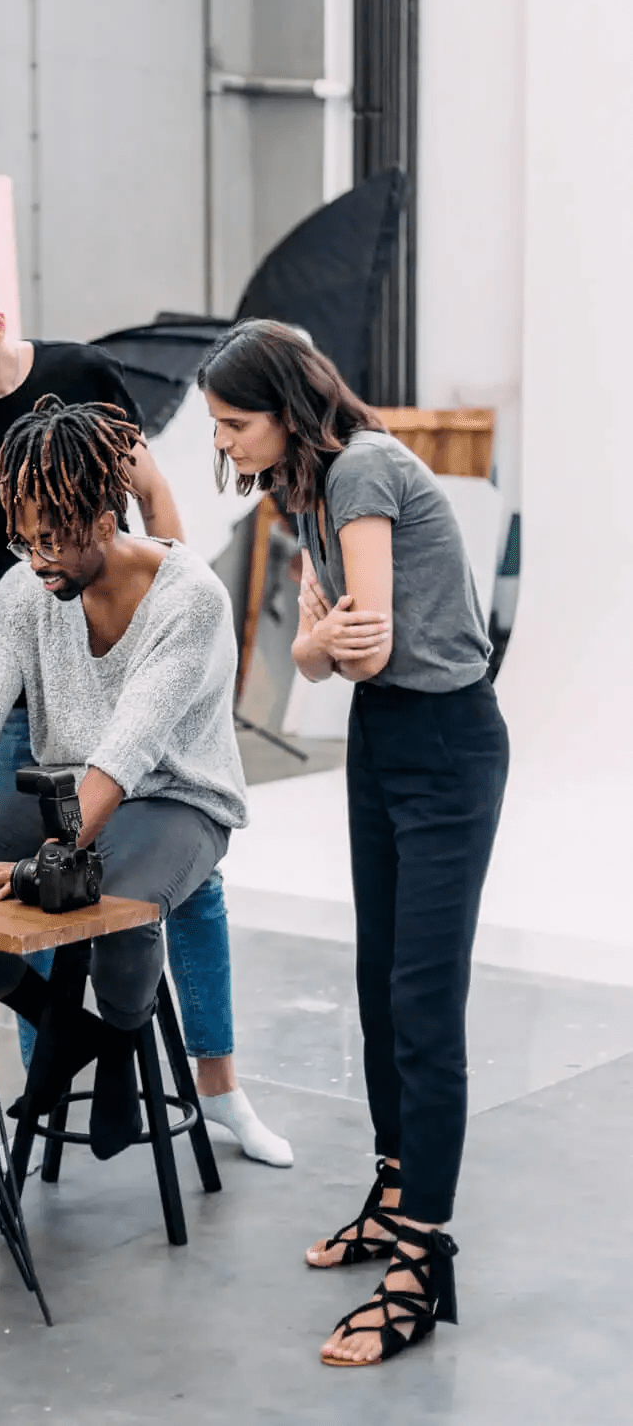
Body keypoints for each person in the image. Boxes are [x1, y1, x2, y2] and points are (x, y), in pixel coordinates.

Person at [0, 255, 290, 1165]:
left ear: (98, 515)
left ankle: (134, 1044)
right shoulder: (31, 584)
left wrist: (43, 859)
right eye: (17, 539)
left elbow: (129, 751)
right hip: (66, 778)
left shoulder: (184, 598)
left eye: (46, 537)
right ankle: (73, 1035)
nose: (29, 558)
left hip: (173, 795)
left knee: (107, 899)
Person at [198, 320, 509, 1368]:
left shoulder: (366, 468)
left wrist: (321, 641)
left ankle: (421, 1263)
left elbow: (360, 641)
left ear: (288, 406)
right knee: (379, 985)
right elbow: (323, 662)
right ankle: (392, 1190)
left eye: (236, 423)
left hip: (448, 748)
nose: (226, 443)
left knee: (424, 1003)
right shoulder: (313, 489)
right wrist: (317, 643)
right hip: (385, 745)